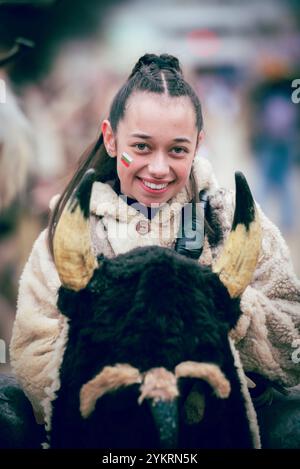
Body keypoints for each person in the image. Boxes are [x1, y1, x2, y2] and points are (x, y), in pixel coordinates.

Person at [9, 53, 300, 446]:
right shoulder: (71, 234)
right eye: (142, 147)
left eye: (177, 150)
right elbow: (33, 354)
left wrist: (225, 311)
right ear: (111, 140)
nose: (159, 168)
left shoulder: (231, 220)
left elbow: (291, 336)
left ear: (198, 144)